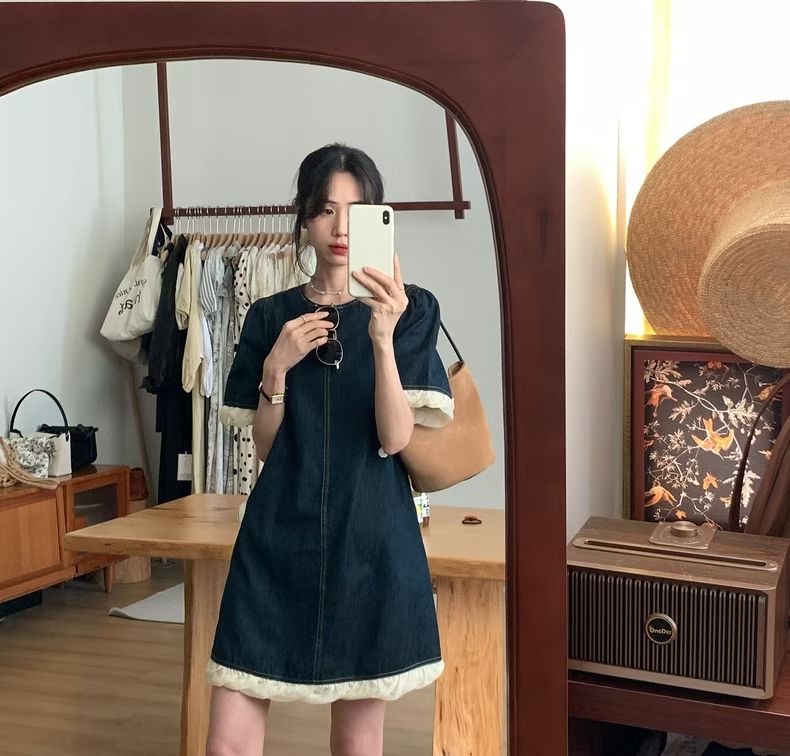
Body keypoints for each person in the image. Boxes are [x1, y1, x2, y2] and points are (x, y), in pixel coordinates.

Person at [205, 143, 454, 756]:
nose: (340, 228)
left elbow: (395, 438)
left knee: (358, 743)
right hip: (276, 534)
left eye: (356, 211)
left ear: (377, 218)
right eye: (324, 210)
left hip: (370, 538)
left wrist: (382, 337)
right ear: (304, 219)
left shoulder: (410, 310)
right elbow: (267, 447)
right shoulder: (269, 317)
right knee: (228, 738)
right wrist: (276, 369)